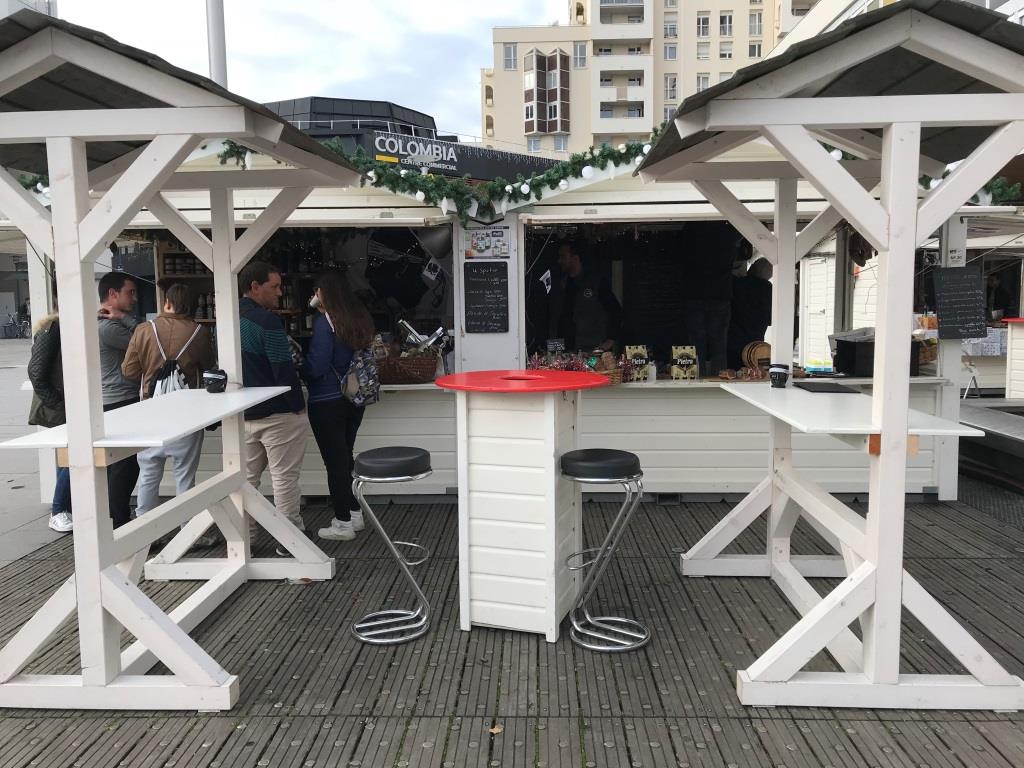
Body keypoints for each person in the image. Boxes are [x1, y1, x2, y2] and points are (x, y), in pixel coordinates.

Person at [122, 283, 216, 525]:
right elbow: (209, 367)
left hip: (150, 414)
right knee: (185, 476)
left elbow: (129, 371)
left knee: (148, 474)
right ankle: (187, 530)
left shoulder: (144, 330)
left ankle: (145, 529)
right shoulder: (199, 332)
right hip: (187, 415)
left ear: (167, 302)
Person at [301, 270, 375, 541]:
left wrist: (302, 370)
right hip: (354, 398)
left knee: (334, 462)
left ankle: (343, 523)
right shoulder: (359, 318)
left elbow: (318, 364)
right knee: (345, 457)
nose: (314, 295)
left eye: (317, 290)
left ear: (326, 293)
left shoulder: (326, 322)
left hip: (326, 399)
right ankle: (355, 513)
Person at [239, 261, 308, 549]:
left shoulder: (225, 320)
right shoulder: (267, 321)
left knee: (245, 481)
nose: (280, 293)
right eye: (275, 287)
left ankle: (245, 540)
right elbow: (283, 368)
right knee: (284, 480)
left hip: (242, 413)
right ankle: (290, 541)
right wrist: (298, 405)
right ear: (255, 287)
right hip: (278, 412)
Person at [97, 272, 141, 528]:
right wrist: (125, 318)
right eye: (130, 292)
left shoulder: (102, 323)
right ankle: (119, 522)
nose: (134, 298)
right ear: (112, 294)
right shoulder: (110, 327)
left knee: (121, 465)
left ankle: (115, 519)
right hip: (120, 400)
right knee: (125, 466)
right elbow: (148, 340)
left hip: (112, 399)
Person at [27, 309, 71, 533]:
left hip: (66, 403)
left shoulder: (58, 327)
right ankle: (59, 510)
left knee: (67, 456)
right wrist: (59, 404)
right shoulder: (53, 329)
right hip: (62, 405)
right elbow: (36, 372)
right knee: (72, 457)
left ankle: (64, 508)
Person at [682, 222, 742, 376]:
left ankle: (697, 378)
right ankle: (720, 378)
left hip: (694, 293)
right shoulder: (727, 233)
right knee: (719, 344)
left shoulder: (691, 230)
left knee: (696, 343)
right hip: (720, 293)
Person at [550, 242, 622, 353]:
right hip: (564, 351)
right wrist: (553, 351)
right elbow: (555, 319)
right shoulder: (559, 285)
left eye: (563, 257)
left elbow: (616, 311)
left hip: (591, 350)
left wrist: (610, 340)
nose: (559, 261)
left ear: (575, 258)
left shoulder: (596, 282)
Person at [727, 257, 774, 369]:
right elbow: (770, 319)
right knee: (754, 370)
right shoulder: (769, 289)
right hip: (756, 341)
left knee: (733, 370)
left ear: (753, 268)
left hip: (734, 338)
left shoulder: (738, 283)